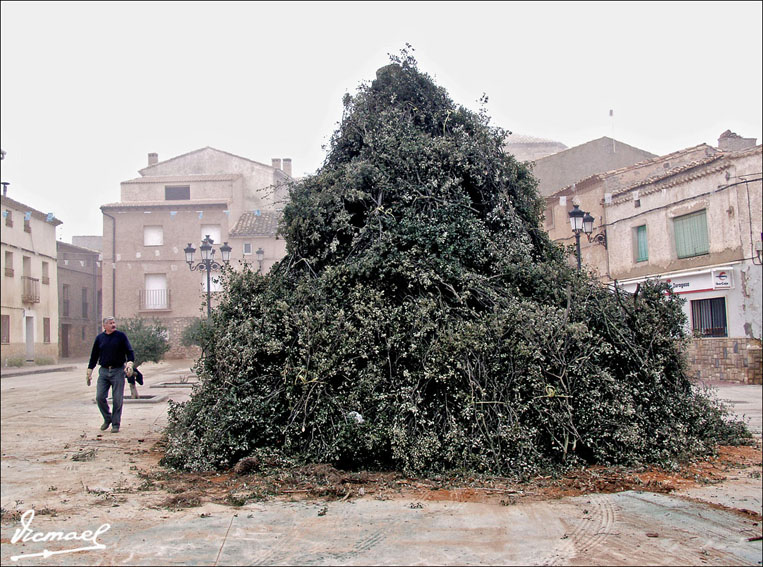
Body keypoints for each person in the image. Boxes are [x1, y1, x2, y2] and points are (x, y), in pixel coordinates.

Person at [86, 317, 135, 433]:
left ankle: (116, 424)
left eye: (114, 322)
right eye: (110, 323)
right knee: (99, 397)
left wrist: (130, 364)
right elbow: (94, 356)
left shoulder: (121, 336)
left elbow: (130, 351)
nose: (113, 325)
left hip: (118, 371)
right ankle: (107, 418)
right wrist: (89, 371)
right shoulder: (99, 338)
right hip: (103, 371)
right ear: (104, 326)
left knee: (117, 399)